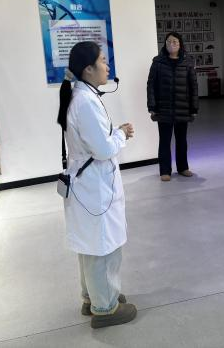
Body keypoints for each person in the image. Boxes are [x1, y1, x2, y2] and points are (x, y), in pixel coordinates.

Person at [57, 41, 137, 329]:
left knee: (91, 245)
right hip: (94, 187)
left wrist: (114, 133)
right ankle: (105, 307)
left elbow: (94, 141)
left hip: (88, 185)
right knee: (103, 247)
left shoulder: (82, 96)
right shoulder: (86, 102)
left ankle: (94, 296)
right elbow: (103, 149)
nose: (107, 65)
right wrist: (122, 134)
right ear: (88, 69)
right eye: (103, 60)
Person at [147, 32, 199, 181]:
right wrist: (152, 106)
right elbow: (151, 85)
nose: (171, 44)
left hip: (183, 107)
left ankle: (183, 167)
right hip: (163, 108)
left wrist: (194, 108)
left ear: (180, 44)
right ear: (165, 44)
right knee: (164, 140)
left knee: (182, 140)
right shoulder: (158, 62)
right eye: (168, 42)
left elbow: (193, 86)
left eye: (175, 42)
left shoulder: (188, 62)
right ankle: (165, 171)